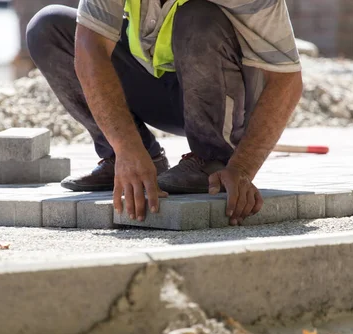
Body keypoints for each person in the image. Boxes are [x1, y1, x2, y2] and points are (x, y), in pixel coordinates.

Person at [26, 0, 303, 225]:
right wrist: (127, 148)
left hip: (228, 98)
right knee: (48, 27)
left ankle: (211, 158)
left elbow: (287, 81)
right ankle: (137, 160)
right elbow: (91, 51)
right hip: (163, 92)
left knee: (197, 15)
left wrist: (242, 168)